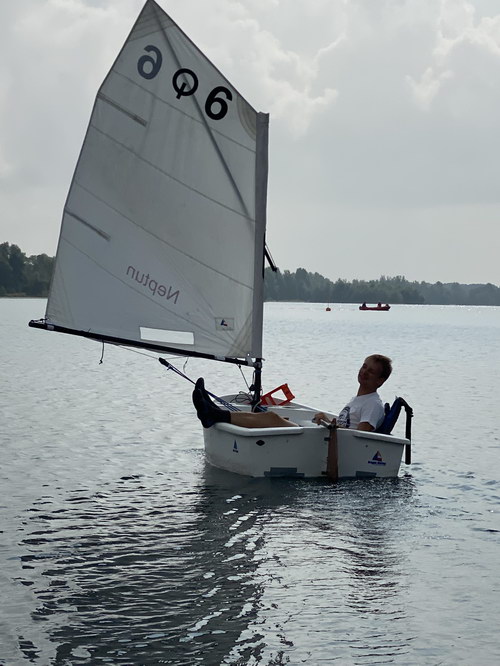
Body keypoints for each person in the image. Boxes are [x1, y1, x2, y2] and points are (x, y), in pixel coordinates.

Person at [192, 354, 392, 433]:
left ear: (380, 381)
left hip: (326, 442)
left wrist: (330, 424)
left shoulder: (372, 404)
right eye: (364, 367)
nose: (364, 372)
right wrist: (327, 420)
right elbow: (348, 425)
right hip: (323, 435)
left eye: (371, 371)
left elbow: (361, 435)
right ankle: (214, 411)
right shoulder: (359, 399)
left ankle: (214, 414)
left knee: (271, 417)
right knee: (275, 417)